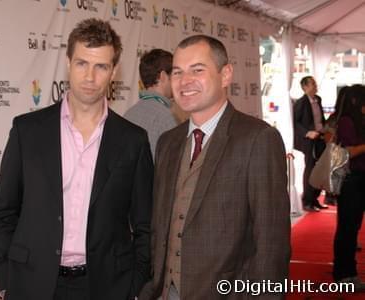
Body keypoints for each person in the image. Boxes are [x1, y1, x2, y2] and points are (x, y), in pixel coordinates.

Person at [0, 18, 153, 300]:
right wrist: (6, 281)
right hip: (32, 284)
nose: (90, 76)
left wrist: (133, 285)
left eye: (101, 66)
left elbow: (146, 224)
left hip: (106, 287)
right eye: (82, 63)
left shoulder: (133, 140)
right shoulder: (27, 131)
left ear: (113, 71)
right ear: (68, 63)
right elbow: (3, 212)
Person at [139, 35, 290, 300]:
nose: (185, 81)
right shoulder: (168, 142)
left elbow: (271, 243)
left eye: (197, 70)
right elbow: (161, 225)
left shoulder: (258, 139)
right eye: (177, 72)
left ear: (226, 74)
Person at [333, 84, 365, 289]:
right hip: (351, 181)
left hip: (361, 179)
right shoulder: (346, 122)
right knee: (347, 229)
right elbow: (349, 152)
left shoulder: (359, 121)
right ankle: (345, 273)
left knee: (353, 228)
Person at [124, 49, 178, 158]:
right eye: (175, 75)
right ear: (163, 76)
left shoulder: (129, 113)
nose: (178, 81)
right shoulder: (166, 118)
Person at [293, 76, 328, 212]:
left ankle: (315, 199)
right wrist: (307, 132)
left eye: (315, 83)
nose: (315, 85)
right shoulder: (301, 102)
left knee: (321, 169)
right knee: (310, 169)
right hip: (309, 140)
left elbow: (320, 119)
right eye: (312, 84)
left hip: (320, 137)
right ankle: (307, 200)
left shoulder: (318, 99)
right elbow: (296, 122)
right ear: (305, 87)